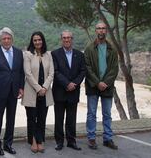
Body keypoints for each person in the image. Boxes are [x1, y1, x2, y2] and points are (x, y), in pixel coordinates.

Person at [0, 27, 25, 156]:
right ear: (0, 40)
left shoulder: (19, 53)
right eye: (4, 39)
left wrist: (21, 87)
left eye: (9, 38)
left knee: (11, 119)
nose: (7, 41)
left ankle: (8, 144)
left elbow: (21, 72)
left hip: (13, 91)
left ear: (12, 39)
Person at [84, 22, 119, 150]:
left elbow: (115, 69)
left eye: (103, 28)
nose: (101, 31)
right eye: (99, 28)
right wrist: (98, 82)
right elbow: (87, 68)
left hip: (107, 86)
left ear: (106, 31)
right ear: (95, 31)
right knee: (91, 113)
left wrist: (105, 83)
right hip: (93, 85)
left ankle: (108, 139)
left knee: (107, 114)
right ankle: (91, 138)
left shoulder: (112, 49)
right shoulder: (89, 48)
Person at [51, 30, 86, 151]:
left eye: (69, 37)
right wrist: (67, 83)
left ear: (72, 39)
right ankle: (59, 142)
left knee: (71, 119)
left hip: (74, 91)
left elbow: (83, 71)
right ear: (61, 39)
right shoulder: (55, 54)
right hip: (60, 91)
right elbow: (55, 72)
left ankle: (71, 141)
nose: (67, 40)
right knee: (59, 118)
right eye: (64, 38)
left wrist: (74, 84)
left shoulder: (80, 55)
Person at [21, 31, 54, 153]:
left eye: (39, 40)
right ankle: (33, 141)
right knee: (31, 118)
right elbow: (28, 74)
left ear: (43, 41)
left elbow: (51, 73)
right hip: (31, 91)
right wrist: (38, 88)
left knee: (42, 118)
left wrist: (44, 87)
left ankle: (40, 141)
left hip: (45, 92)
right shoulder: (28, 54)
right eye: (35, 40)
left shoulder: (48, 55)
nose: (37, 42)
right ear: (32, 42)